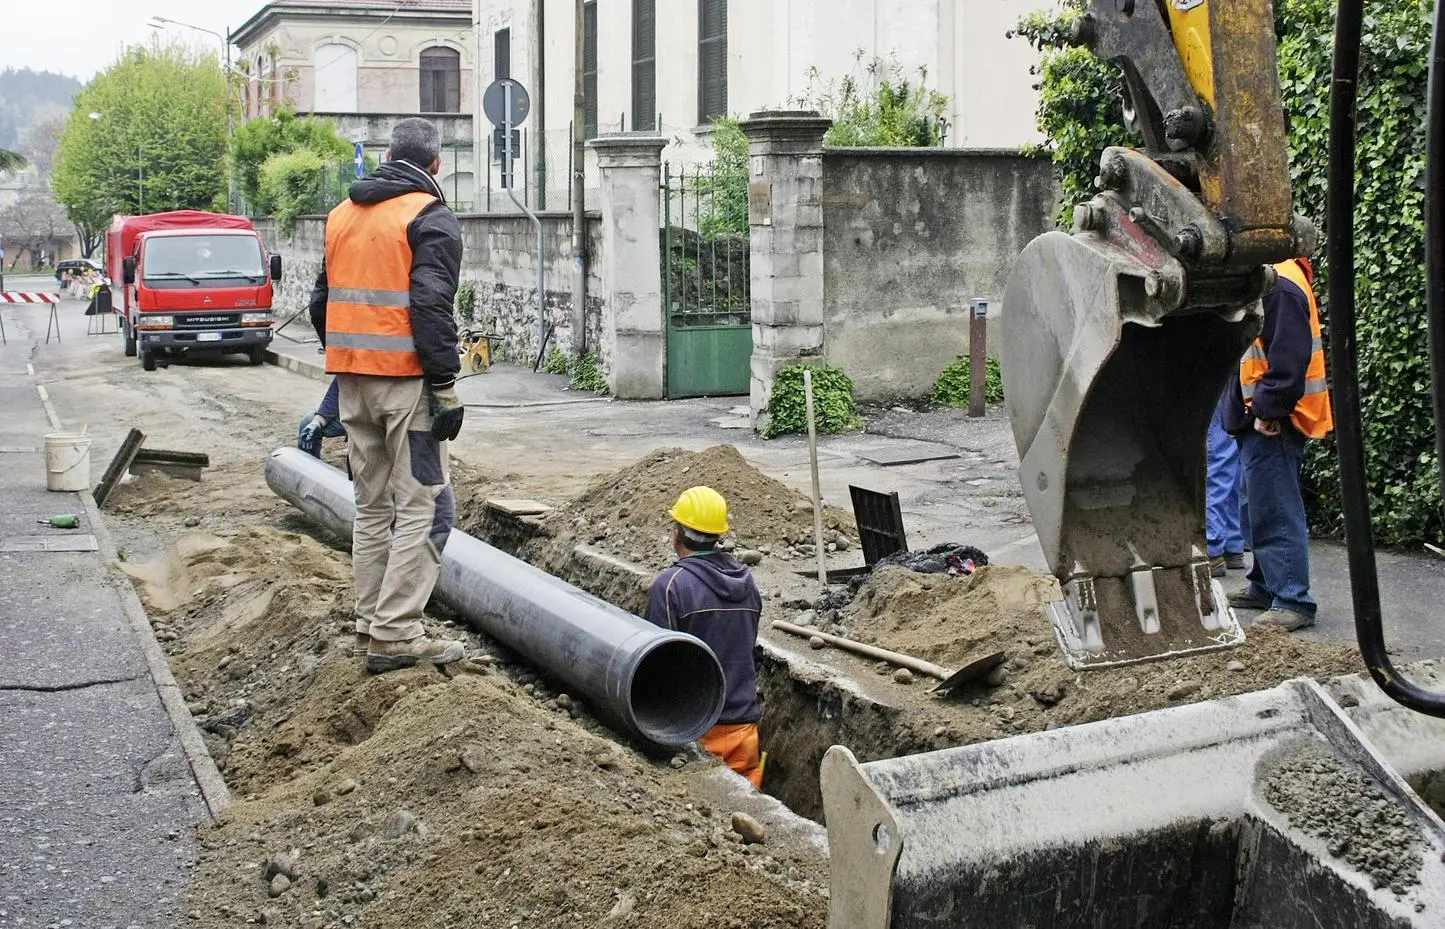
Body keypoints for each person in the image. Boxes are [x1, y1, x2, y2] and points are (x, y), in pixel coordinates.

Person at [307, 117, 468, 672]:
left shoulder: (341, 215)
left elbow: (320, 303)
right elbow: (430, 307)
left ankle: (368, 623)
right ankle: (396, 634)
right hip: (406, 384)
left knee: (373, 506)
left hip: (352, 380)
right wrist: (444, 385)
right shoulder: (430, 217)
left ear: (388, 155)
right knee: (429, 506)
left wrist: (345, 366)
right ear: (436, 164)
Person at [1224, 257, 1334, 631]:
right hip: (1259, 416)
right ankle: (1264, 585)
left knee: (1275, 508)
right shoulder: (1272, 277)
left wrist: (1268, 410)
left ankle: (1292, 599)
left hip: (1276, 420)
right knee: (1253, 506)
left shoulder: (1282, 286)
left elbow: (1289, 358)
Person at [643, 486, 765, 788]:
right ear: (718, 536)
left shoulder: (671, 587)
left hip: (691, 733)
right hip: (743, 732)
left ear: (677, 535)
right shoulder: (747, 584)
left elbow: (652, 667)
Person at [1205, 391, 1246, 577]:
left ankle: (1213, 547)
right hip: (1239, 373)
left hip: (1221, 373)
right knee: (1230, 453)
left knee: (1218, 457)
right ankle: (1232, 543)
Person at [297, 377, 347, 458]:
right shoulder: (349, 366)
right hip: (353, 416)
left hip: (372, 422)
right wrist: (317, 422)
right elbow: (334, 395)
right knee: (308, 422)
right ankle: (309, 466)